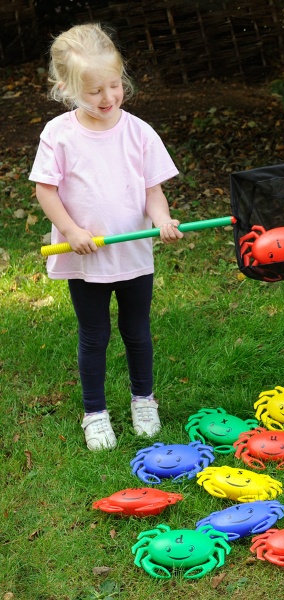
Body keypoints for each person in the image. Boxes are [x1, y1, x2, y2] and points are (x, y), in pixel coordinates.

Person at [29, 23, 183, 449]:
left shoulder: (138, 132)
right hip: (86, 256)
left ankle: (143, 399)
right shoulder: (58, 134)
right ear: (66, 87)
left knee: (137, 329)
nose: (108, 98)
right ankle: (95, 412)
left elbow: (153, 191)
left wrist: (163, 220)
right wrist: (72, 229)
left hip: (132, 251)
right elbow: (46, 189)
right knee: (94, 334)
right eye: (95, 90)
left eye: (114, 86)